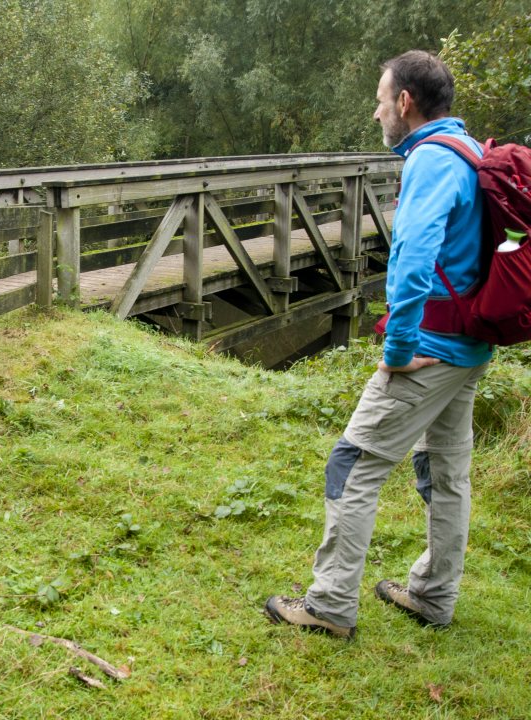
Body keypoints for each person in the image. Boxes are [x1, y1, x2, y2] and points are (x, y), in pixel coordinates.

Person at [264, 50, 494, 639]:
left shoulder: (431, 160)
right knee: (445, 472)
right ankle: (433, 596)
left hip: (431, 349)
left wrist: (397, 349)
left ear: (405, 102)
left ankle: (330, 605)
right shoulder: (468, 152)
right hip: (467, 345)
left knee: (354, 464)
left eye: (379, 99)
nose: (376, 113)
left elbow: (412, 261)